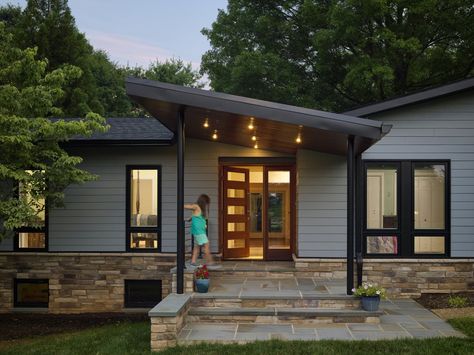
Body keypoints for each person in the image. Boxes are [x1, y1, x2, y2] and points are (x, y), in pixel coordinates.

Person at [185, 194, 214, 268]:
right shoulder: (196, 206)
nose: (207, 205)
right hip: (199, 232)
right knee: (206, 246)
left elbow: (195, 216)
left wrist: (190, 218)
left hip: (199, 231)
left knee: (196, 247)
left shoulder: (199, 209)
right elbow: (188, 207)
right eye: (206, 203)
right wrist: (180, 204)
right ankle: (210, 263)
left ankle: (193, 262)